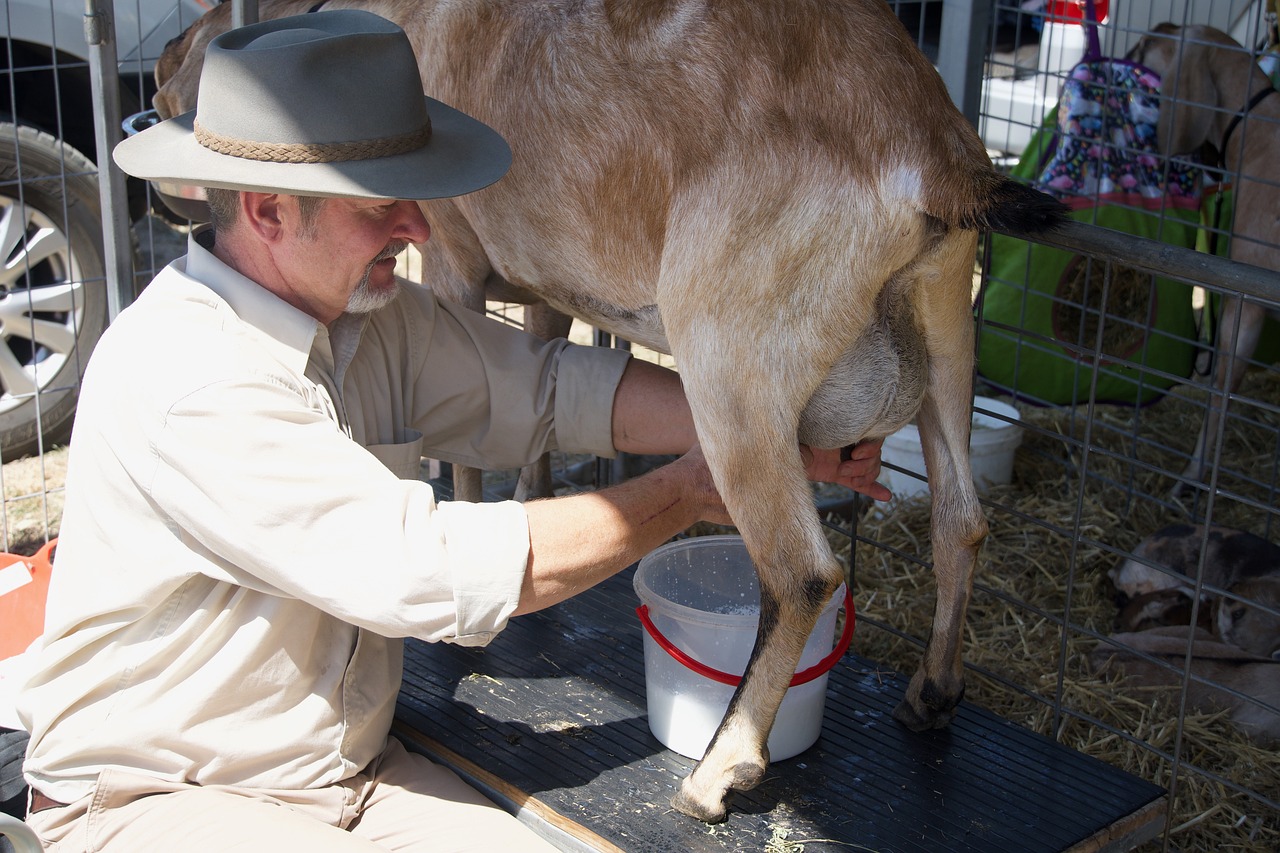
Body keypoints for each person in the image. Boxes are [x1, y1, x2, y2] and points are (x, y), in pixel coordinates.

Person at [16, 11, 887, 852]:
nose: (419, 227)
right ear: (270, 211)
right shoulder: (192, 376)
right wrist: (688, 490)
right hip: (155, 799)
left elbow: (550, 385)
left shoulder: (366, 318)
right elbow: (422, 569)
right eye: (379, 204)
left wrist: (767, 433)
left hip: (344, 775)